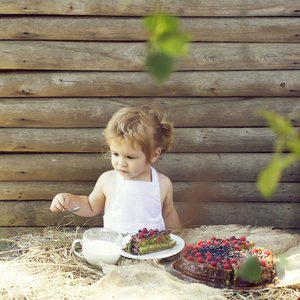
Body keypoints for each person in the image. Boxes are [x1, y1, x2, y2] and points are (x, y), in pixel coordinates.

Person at [50, 106, 181, 234]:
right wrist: (68, 200)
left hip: (151, 252)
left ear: (154, 155)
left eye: (130, 157)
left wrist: (179, 239)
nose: (121, 163)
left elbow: (169, 215)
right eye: (116, 154)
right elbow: (90, 206)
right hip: (115, 251)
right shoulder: (108, 180)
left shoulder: (163, 184)